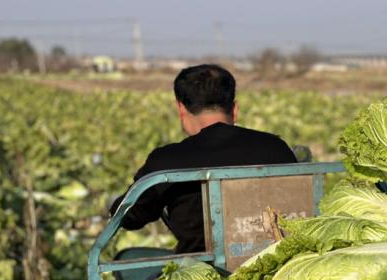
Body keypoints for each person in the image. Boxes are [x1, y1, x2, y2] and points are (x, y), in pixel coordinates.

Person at [110, 64, 297, 253]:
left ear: (181, 108)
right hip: (276, 268)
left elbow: (128, 217)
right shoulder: (276, 147)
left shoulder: (166, 161)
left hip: (200, 276)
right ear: (234, 109)